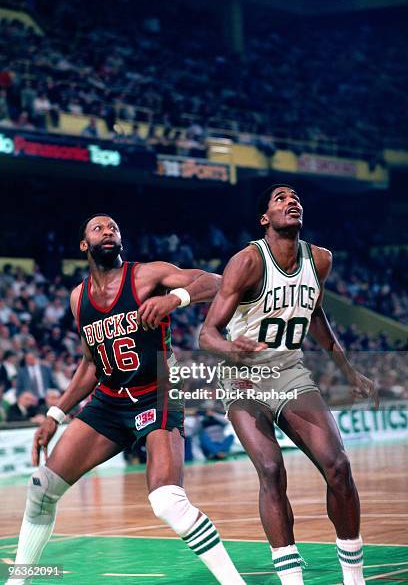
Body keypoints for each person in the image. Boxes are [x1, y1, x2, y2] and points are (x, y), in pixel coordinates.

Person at [8, 214, 244, 585]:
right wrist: (55, 413)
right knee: (41, 488)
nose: (108, 231)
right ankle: (20, 580)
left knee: (167, 501)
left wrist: (176, 299)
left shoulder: (147, 276)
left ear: (121, 240)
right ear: (84, 245)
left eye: (113, 227)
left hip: (157, 394)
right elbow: (90, 364)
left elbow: (220, 282)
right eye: (98, 228)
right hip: (109, 401)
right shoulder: (78, 299)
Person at [200, 184, 378, 585]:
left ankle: (354, 577)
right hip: (242, 376)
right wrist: (231, 348)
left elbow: (315, 316)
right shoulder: (247, 261)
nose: (290, 201)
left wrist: (349, 371)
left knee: (339, 465)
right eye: (280, 198)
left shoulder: (320, 260)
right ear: (265, 219)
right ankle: (291, 580)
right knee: (270, 469)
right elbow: (206, 334)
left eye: (295, 197)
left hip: (289, 372)